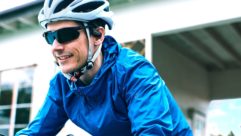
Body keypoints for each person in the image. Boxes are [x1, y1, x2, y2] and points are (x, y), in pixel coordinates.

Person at [16, 0, 193, 135]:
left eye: (65, 34)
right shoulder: (61, 86)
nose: (55, 47)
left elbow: (151, 131)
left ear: (98, 35)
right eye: (50, 37)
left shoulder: (135, 73)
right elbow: (35, 132)